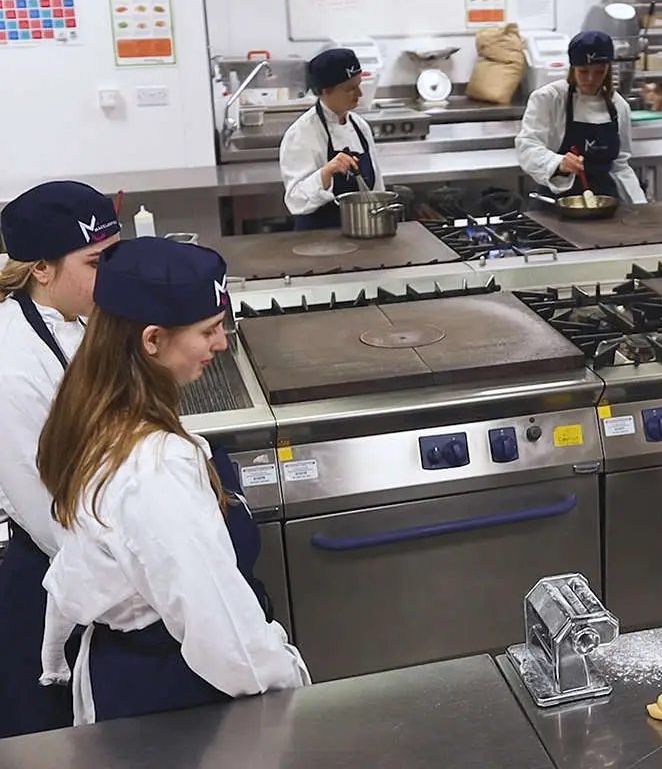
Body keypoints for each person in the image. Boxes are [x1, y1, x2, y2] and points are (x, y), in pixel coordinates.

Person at [36, 237, 309, 725]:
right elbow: (224, 639)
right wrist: (293, 691)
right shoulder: (152, 466)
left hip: (122, 673)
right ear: (152, 340)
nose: (222, 344)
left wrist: (55, 663)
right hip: (178, 699)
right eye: (208, 331)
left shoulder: (87, 409)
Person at [0, 181, 120, 738]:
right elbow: (46, 511)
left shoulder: (83, 317)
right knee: (56, 742)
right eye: (97, 261)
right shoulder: (12, 367)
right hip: (54, 574)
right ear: (41, 268)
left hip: (101, 556)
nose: (112, 273)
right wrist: (133, 586)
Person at [516, 31, 647, 205]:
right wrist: (558, 162)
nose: (591, 79)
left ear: (608, 69)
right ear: (572, 67)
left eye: (599, 72)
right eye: (583, 71)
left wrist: (640, 205)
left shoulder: (618, 106)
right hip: (558, 204)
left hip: (605, 203)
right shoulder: (549, 98)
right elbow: (527, 147)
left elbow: (620, 164)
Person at [280, 47, 384, 230]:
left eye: (359, 84)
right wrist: (326, 173)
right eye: (350, 88)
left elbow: (376, 188)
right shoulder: (302, 133)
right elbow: (295, 200)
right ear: (325, 91)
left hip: (361, 232)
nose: (359, 94)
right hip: (317, 240)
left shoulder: (360, 126)